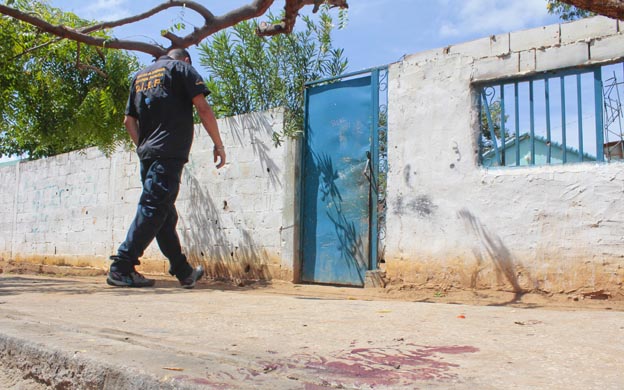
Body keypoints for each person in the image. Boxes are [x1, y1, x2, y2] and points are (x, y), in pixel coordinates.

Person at [107, 48, 226, 289]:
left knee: (163, 214)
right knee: (153, 209)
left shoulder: (139, 76)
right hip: (168, 153)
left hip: (148, 154)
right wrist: (218, 144)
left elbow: (129, 120)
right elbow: (203, 108)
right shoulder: (182, 69)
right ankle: (121, 266)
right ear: (186, 59)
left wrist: (142, 146)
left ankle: (183, 271)